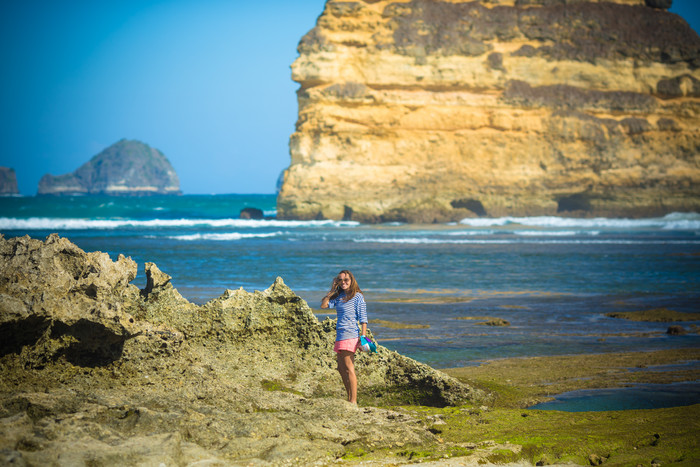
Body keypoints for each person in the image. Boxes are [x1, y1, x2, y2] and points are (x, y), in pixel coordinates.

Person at [320, 269, 368, 404]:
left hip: (350, 334)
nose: (343, 282)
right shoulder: (339, 297)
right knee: (341, 369)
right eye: (340, 280)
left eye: (346, 280)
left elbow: (363, 319)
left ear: (351, 281)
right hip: (340, 335)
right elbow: (323, 305)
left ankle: (353, 401)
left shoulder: (357, 296)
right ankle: (349, 399)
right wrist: (331, 290)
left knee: (349, 368)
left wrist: (363, 338)